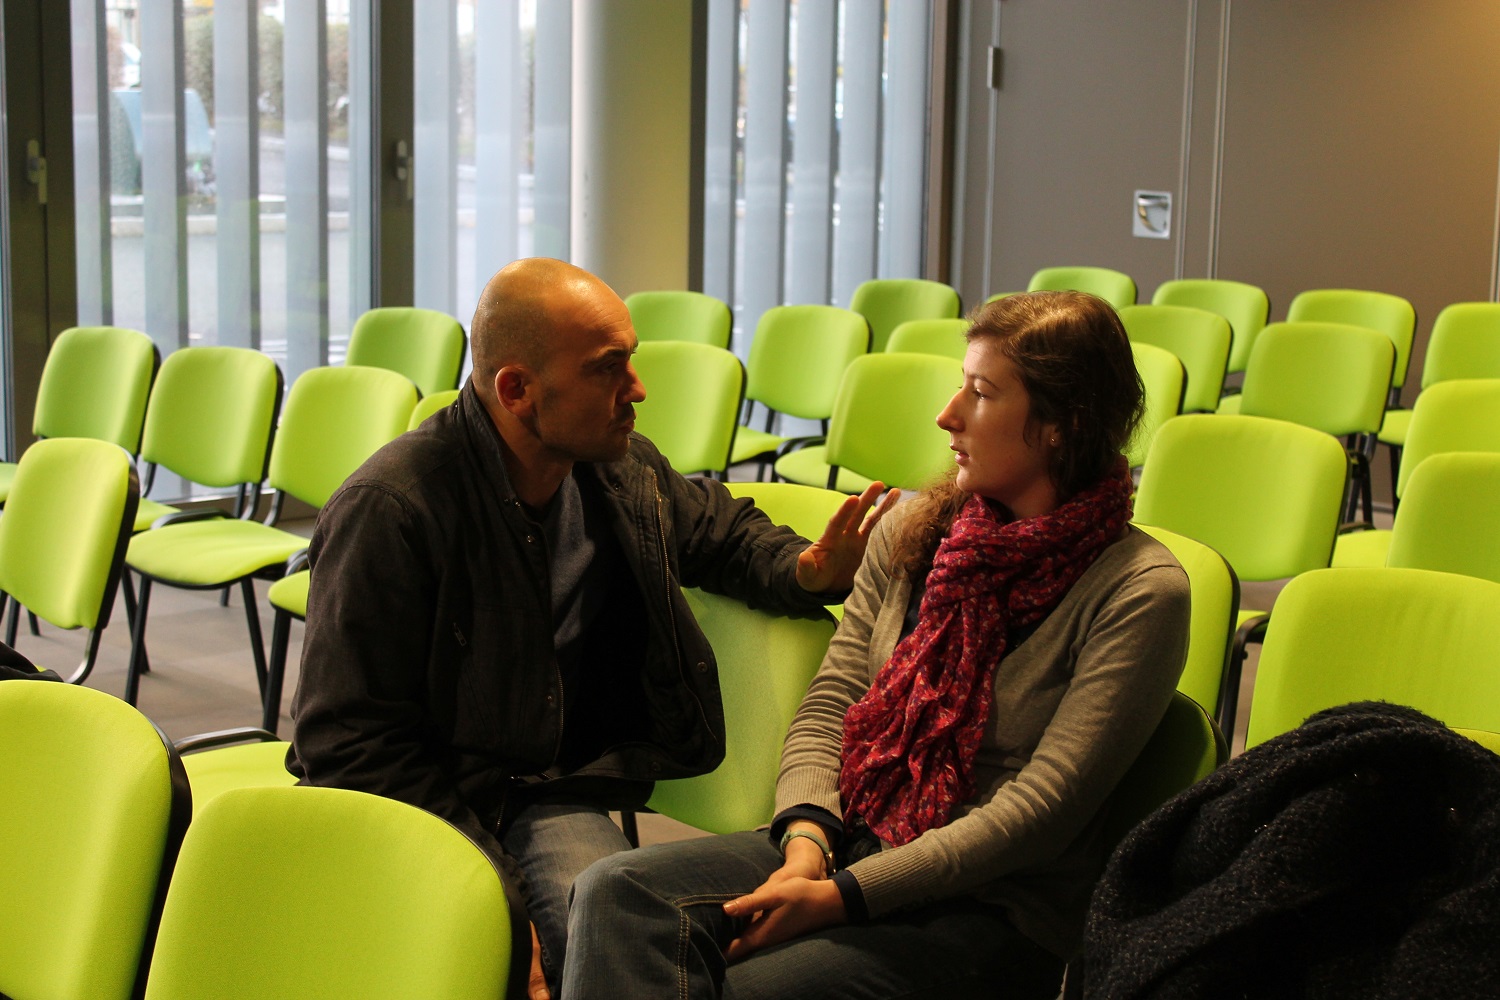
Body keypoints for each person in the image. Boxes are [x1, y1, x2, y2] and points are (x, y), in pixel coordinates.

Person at [287, 258, 893, 1000]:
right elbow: (348, 746)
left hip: (542, 790)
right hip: (424, 798)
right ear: (517, 390)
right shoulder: (394, 507)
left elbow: (720, 531)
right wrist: (495, 900)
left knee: (621, 943)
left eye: (630, 360)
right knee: (522, 950)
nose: (637, 388)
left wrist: (805, 570)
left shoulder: (615, 468)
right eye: (608, 368)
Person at [560, 290, 1193, 1000]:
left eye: (981, 393)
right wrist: (807, 842)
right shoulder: (917, 532)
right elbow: (832, 701)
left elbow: (1040, 812)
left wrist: (844, 897)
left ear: (1061, 427)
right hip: (850, 838)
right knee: (614, 892)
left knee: (736, 986)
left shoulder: (1139, 591)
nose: (948, 414)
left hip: (989, 905)